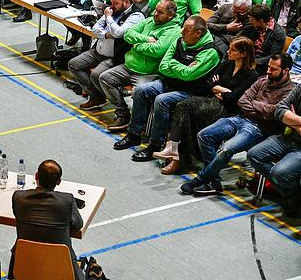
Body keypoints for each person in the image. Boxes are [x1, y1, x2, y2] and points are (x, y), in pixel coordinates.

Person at [183, 53, 296, 195]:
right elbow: (242, 100)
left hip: (258, 128)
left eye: (273, 69)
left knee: (227, 149)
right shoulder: (262, 81)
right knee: (204, 135)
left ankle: (201, 179)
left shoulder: (290, 91)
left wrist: (255, 104)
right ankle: (214, 181)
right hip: (240, 118)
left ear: (285, 71)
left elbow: (274, 112)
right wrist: (261, 108)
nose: (268, 71)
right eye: (268, 67)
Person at [115, 16, 221, 161]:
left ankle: (155, 144)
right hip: (169, 83)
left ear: (198, 33)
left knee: (161, 100)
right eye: (183, 28)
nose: (182, 32)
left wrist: (173, 65)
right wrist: (179, 67)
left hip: (191, 92)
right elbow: (163, 67)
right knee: (142, 90)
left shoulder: (210, 52)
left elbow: (189, 75)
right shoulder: (180, 41)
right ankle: (134, 134)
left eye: (187, 30)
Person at [154, 36, 259, 174]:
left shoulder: (251, 75)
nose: (228, 52)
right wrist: (221, 89)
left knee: (186, 108)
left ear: (243, 54)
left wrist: (218, 88)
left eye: (233, 50)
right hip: (211, 101)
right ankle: (176, 156)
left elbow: (233, 98)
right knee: (183, 108)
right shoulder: (227, 63)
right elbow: (210, 83)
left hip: (227, 110)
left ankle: (176, 154)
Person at [100, 0, 180, 131]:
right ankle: (122, 113)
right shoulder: (149, 21)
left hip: (148, 72)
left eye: (160, 12)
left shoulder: (173, 30)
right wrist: (145, 40)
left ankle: (137, 124)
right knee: (105, 78)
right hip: (129, 66)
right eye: (155, 10)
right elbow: (128, 34)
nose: (155, 14)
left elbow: (157, 51)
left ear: (170, 15)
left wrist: (136, 44)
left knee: (139, 92)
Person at [69, 0, 145, 110]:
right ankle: (96, 97)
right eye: (111, 3)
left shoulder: (136, 16)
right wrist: (106, 35)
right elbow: (95, 29)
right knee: (74, 64)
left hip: (114, 56)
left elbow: (119, 33)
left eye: (115, 3)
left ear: (126, 2)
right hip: (98, 50)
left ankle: (120, 107)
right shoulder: (113, 10)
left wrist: (108, 17)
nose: (111, 6)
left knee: (97, 75)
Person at [9, 160, 85, 280]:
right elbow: (77, 225)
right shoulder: (67, 200)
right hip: (60, 267)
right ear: (59, 181)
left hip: (25, 265)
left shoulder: (18, 197)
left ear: (36, 176)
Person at [248, 75, 301, 217]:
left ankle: (290, 195)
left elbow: (284, 113)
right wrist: (298, 123)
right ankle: (292, 193)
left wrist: (291, 119)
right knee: (254, 155)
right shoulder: (300, 88)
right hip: (286, 137)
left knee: (279, 173)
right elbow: (279, 110)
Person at [239, 3, 287, 75]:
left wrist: (253, 61)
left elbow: (273, 56)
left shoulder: (278, 33)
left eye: (252, 19)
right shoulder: (251, 26)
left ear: (261, 21)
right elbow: (239, 39)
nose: (250, 21)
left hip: (263, 64)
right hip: (248, 56)